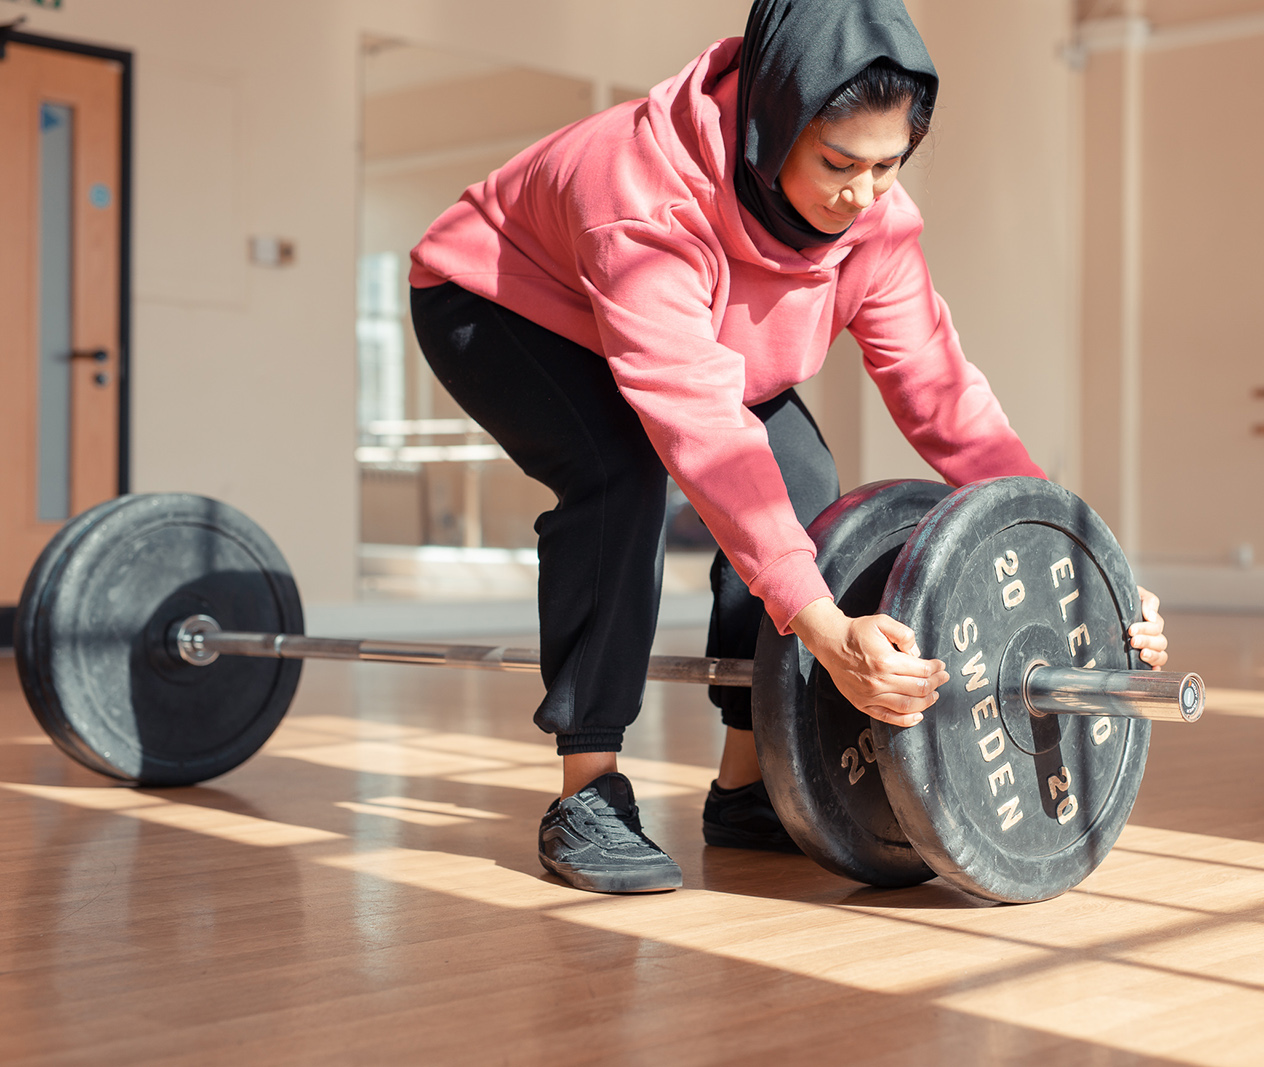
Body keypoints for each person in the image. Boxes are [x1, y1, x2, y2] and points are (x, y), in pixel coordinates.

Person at [408, 0, 1169, 895]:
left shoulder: (876, 226)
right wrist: (820, 622)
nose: (861, 194)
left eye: (888, 166)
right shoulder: (646, 196)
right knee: (619, 473)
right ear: (771, 125)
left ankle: (748, 782)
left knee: (805, 480)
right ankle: (589, 790)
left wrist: (1083, 565)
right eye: (839, 163)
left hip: (699, 339)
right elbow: (701, 428)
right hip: (503, 300)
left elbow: (945, 400)